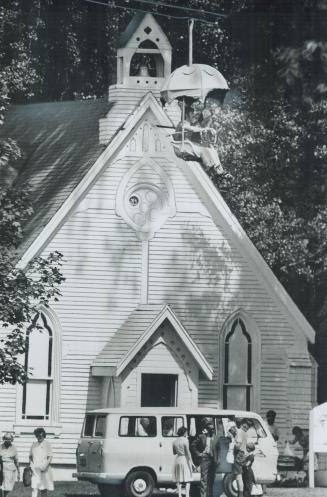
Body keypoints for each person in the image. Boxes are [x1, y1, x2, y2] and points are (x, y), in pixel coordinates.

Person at [190, 421, 218, 497]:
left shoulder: (216, 437)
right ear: (207, 429)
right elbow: (193, 445)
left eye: (213, 429)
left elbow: (219, 449)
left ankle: (210, 495)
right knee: (204, 479)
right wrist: (199, 454)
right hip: (205, 458)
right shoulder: (202, 436)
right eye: (211, 429)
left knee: (211, 479)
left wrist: (217, 459)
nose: (212, 430)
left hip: (213, 460)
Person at [29, 428, 54, 497]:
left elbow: (50, 457)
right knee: (34, 487)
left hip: (44, 469)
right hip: (35, 469)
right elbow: (30, 456)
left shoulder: (47, 444)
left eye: (40, 436)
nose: (39, 437)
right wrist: (31, 465)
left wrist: (45, 466)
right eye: (37, 436)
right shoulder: (33, 445)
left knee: (43, 488)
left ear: (43, 435)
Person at [172, 427, 193, 497]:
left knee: (179, 479)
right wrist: (192, 462)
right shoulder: (185, 440)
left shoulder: (174, 441)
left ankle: (179, 495)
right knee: (187, 479)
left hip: (178, 459)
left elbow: (174, 452)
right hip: (184, 459)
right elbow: (188, 452)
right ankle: (187, 495)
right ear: (184, 432)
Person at [232, 418, 251, 497]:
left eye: (246, 427)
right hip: (242, 454)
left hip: (238, 454)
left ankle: (240, 495)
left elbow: (238, 445)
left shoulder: (239, 432)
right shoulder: (245, 433)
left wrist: (232, 443)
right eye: (245, 426)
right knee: (239, 475)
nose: (245, 428)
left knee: (238, 476)